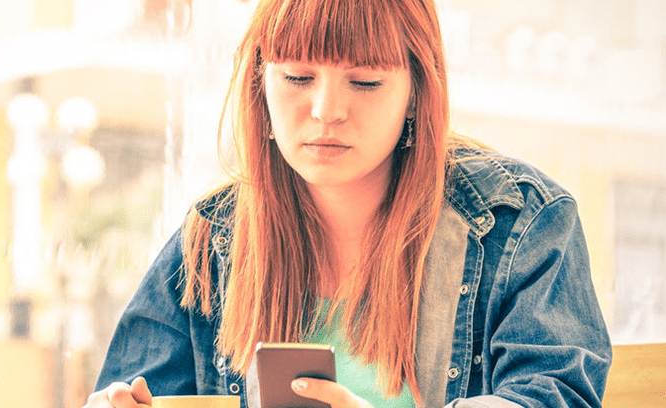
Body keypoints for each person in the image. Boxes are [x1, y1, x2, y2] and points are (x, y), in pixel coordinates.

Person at [84, 0, 612, 407]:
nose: (326, 110)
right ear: (259, 84)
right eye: (296, 77)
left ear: (417, 92)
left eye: (364, 81)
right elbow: (134, 390)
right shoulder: (210, 242)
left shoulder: (517, 225)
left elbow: (551, 395)